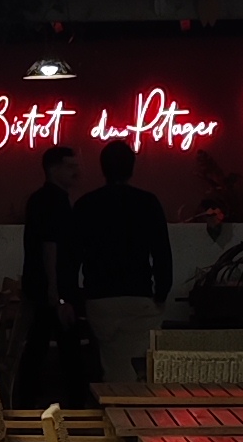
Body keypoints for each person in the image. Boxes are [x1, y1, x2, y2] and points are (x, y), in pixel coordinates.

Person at [70, 140, 174, 394]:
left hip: (100, 298)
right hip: (138, 295)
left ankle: (115, 405)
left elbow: (72, 257)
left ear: (103, 168)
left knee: (112, 363)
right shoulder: (147, 202)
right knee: (142, 368)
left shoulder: (86, 204)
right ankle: (139, 409)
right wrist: (161, 292)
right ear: (131, 168)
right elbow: (161, 252)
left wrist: (72, 297)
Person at [17, 142, 80, 400]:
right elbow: (50, 246)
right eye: (71, 166)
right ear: (54, 169)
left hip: (40, 287)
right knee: (67, 351)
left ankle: (24, 401)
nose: (77, 172)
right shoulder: (55, 201)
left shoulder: (41, 199)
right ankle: (74, 406)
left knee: (39, 346)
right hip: (53, 289)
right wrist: (57, 293)